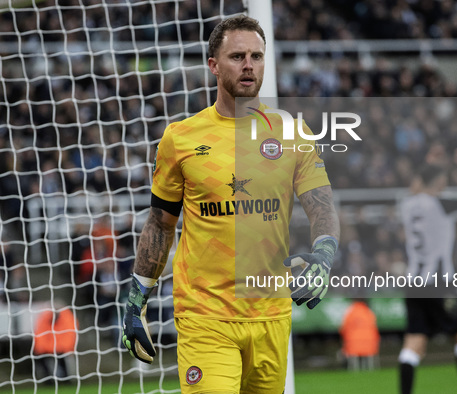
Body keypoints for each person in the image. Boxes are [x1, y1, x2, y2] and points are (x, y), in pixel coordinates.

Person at [121, 15, 340, 393]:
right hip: (205, 317)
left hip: (271, 314)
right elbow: (160, 223)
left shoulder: (293, 133)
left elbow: (322, 206)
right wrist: (137, 296)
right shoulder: (181, 138)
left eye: (256, 56)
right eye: (238, 56)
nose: (249, 65)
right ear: (213, 65)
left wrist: (323, 256)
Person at [398, 148, 457, 394]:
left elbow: (418, 185)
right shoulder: (441, 203)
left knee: (414, 342)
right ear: (438, 182)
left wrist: (429, 166)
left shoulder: (408, 204)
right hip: (437, 282)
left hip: (413, 283)